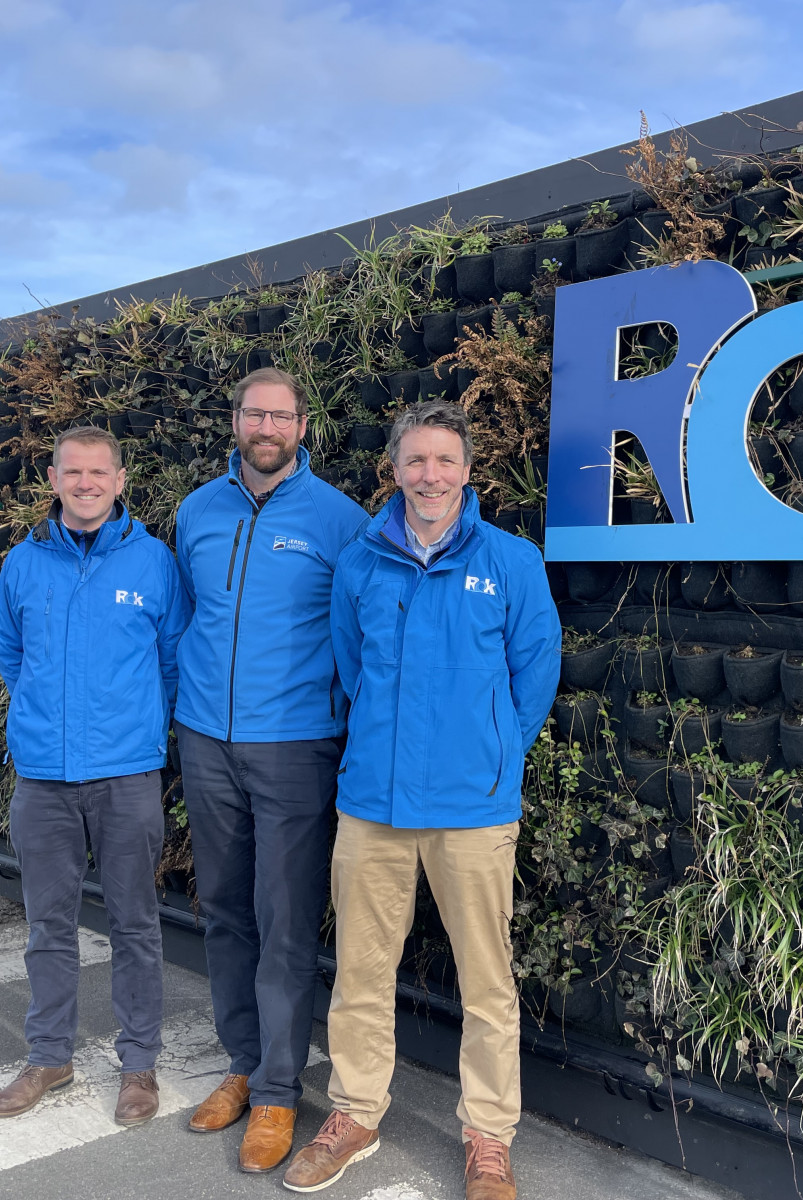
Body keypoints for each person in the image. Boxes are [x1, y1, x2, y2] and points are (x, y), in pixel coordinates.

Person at [285, 401, 561, 1199]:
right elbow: (350, 668)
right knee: (362, 976)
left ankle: (487, 1136)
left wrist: (494, 758)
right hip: (372, 805)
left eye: (445, 461)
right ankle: (356, 1114)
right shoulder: (361, 563)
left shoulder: (511, 562)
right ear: (395, 469)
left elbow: (533, 678)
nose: (430, 476)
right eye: (415, 461)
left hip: (473, 809)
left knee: (487, 983)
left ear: (468, 470)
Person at [174, 367, 368, 1172]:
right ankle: (243, 1066)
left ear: (300, 426)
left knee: (285, 917)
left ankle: (281, 1093)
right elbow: (187, 616)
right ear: (235, 419)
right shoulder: (194, 511)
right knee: (223, 906)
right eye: (255, 412)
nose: (267, 426)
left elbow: (357, 638)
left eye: (281, 415)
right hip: (205, 741)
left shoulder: (341, 520)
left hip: (294, 746)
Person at [0, 425, 190, 1124]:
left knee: (135, 924)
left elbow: (170, 662)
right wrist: (48, 722)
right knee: (48, 925)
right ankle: (50, 1056)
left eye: (98, 472)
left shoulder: (154, 563)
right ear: (52, 479)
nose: (85, 483)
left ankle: (139, 1065)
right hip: (43, 778)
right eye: (72, 473)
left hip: (126, 775)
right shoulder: (23, 564)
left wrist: (133, 732)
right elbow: (11, 654)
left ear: (120, 479)